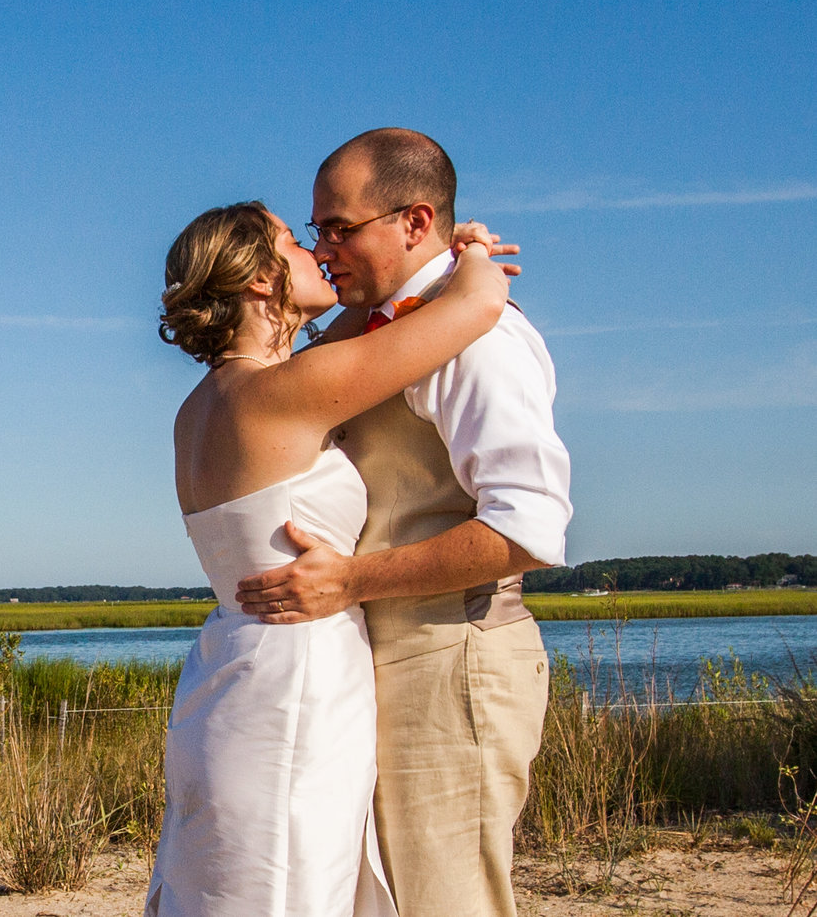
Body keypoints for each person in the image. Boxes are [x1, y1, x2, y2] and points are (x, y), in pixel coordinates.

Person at [144, 199, 518, 917]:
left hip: (230, 671)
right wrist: (465, 255)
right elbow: (475, 308)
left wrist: (425, 276)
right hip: (297, 679)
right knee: (290, 885)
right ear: (260, 278)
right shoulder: (287, 392)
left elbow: (370, 324)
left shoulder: (208, 404)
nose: (321, 248)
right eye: (295, 239)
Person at [235, 129, 572, 917]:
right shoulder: (401, 324)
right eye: (315, 230)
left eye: (338, 227)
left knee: (444, 899)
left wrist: (349, 579)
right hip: (380, 667)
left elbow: (528, 528)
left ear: (415, 223)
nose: (323, 248)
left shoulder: (478, 342)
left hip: (453, 659)